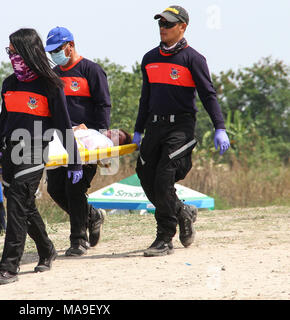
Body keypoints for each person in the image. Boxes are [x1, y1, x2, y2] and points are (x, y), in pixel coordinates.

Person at [133, 6, 230, 257]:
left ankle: (164, 238)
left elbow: (208, 95)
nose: (163, 28)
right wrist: (138, 130)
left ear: (182, 27)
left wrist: (220, 127)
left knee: (164, 177)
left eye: (168, 24)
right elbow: (146, 97)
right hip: (154, 126)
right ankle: (182, 212)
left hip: (181, 127)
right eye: (160, 24)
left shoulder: (193, 59)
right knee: (144, 174)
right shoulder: (149, 58)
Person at [0, 28, 83, 286]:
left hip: (33, 150)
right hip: (10, 152)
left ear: (29, 52)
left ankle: (9, 267)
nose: (11, 57)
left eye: (15, 52)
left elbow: (63, 126)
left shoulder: (51, 84)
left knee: (17, 206)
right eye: (9, 52)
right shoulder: (9, 84)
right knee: (25, 205)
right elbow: (3, 122)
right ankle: (46, 249)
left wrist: (74, 160)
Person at [44, 27, 111, 256]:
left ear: (70, 45)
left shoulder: (91, 70)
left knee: (75, 188)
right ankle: (92, 215)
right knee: (54, 188)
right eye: (50, 51)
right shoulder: (52, 76)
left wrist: (96, 133)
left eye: (57, 49)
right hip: (58, 141)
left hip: (85, 142)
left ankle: (78, 241)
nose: (54, 54)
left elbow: (103, 105)